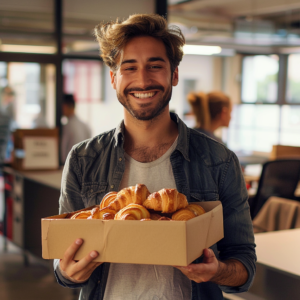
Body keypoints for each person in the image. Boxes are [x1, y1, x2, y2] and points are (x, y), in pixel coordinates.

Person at [53, 14, 256, 300]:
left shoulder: (219, 161)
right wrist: (66, 273)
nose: (143, 80)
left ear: (174, 74)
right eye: (130, 67)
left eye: (155, 66)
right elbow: (63, 260)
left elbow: (244, 265)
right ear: (113, 78)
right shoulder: (83, 159)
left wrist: (218, 270)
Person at [60, 94, 92, 163]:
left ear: (65, 106)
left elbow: (63, 151)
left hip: (70, 166)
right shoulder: (86, 126)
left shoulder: (68, 126)